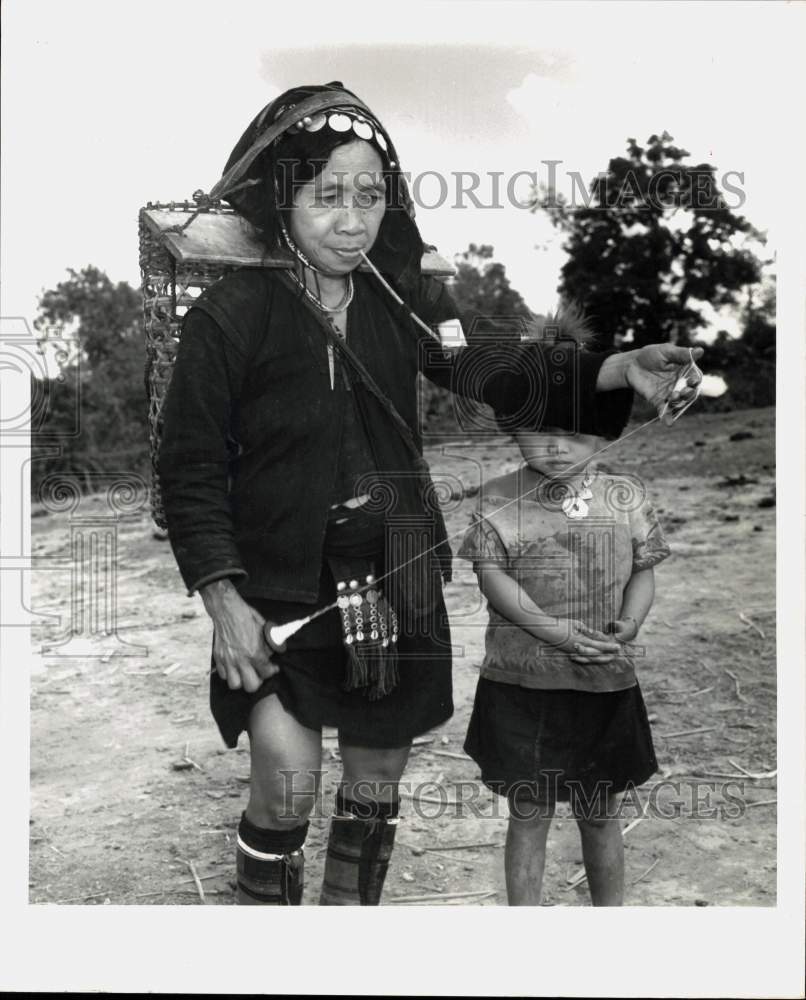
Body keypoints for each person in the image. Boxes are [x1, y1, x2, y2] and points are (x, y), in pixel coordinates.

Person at [158, 81, 700, 906]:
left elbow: (489, 364)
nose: (353, 220)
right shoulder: (231, 316)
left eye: (370, 196)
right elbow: (189, 466)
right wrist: (223, 601)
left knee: (376, 774)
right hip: (277, 583)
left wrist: (616, 368)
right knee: (289, 778)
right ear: (280, 197)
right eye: (327, 196)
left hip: (394, 571)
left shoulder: (399, 293)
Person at [458, 402, 671, 906]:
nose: (556, 447)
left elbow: (644, 568)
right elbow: (492, 578)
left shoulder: (626, 496)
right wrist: (552, 631)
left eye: (575, 434)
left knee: (600, 811)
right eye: (541, 432)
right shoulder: (496, 499)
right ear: (515, 431)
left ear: (604, 436)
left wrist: (630, 623)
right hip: (521, 684)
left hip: (603, 679)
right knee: (529, 812)